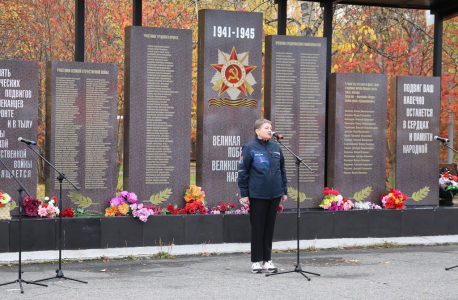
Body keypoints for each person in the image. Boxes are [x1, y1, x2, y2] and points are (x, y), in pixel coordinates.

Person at [238, 118, 288, 273]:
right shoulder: (250, 147)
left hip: (275, 195)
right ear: (257, 131)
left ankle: (267, 261)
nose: (270, 130)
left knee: (269, 228)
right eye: (266, 127)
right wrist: (245, 193)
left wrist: (283, 190)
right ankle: (255, 261)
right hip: (258, 194)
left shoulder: (276, 147)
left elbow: (282, 170)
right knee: (258, 228)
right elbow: (243, 172)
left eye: (271, 127)